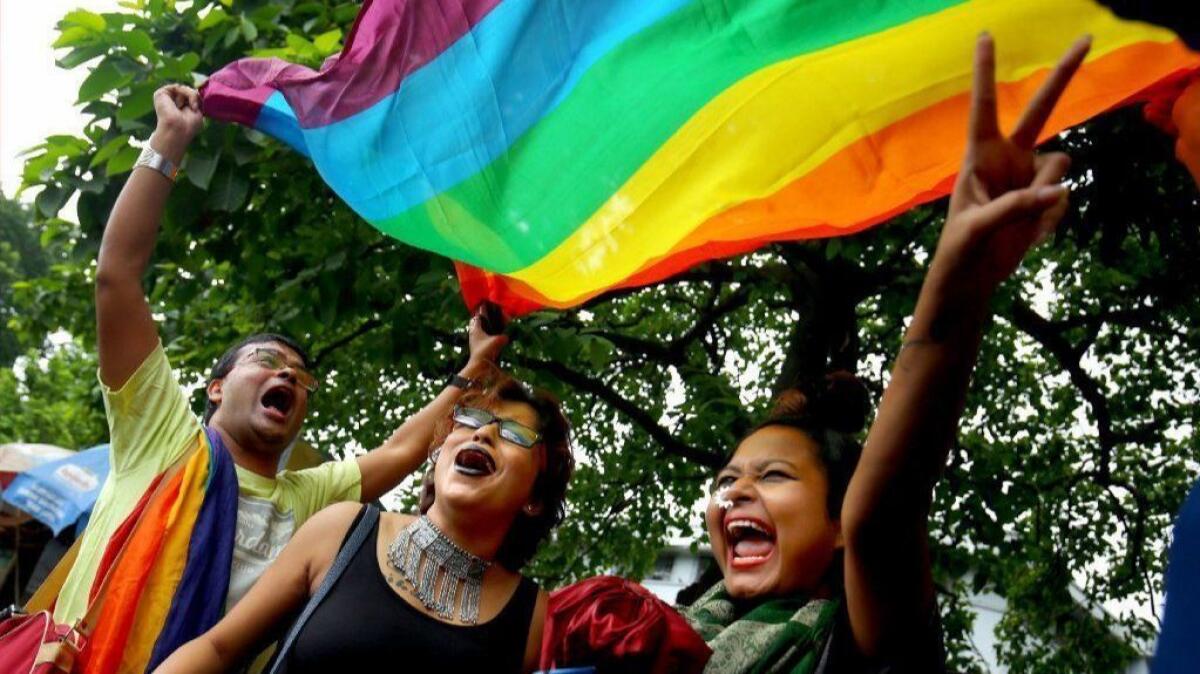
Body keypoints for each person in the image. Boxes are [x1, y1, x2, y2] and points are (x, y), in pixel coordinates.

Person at [674, 33, 1093, 673]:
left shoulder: (860, 644)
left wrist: (964, 275)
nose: (735, 492)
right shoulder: (656, 642)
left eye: (773, 476)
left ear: (840, 524)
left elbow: (883, 511)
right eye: (727, 480)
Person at [53, 83, 507, 644]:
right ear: (216, 389)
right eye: (267, 361)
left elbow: (405, 451)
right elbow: (116, 276)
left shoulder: (307, 498)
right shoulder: (161, 437)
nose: (288, 375)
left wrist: (476, 366)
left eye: (301, 375)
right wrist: (168, 142)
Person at [154, 372, 574, 674]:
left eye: (516, 434)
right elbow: (218, 649)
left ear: (536, 498)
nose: (483, 435)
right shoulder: (342, 530)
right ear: (440, 453)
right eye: (473, 422)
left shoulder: (539, 620)